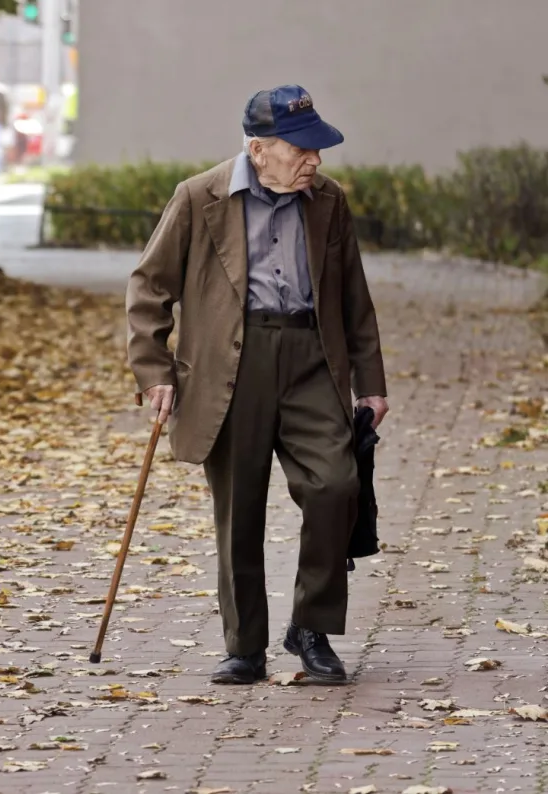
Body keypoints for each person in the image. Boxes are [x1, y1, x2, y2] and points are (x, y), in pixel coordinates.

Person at [125, 85, 389, 686]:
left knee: (336, 485)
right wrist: (154, 371)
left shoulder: (327, 201)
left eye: (318, 149)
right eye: (302, 149)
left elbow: (354, 297)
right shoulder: (200, 197)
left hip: (311, 358)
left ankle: (311, 628)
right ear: (258, 149)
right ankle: (245, 647)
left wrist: (369, 383)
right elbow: (149, 288)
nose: (315, 160)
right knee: (238, 509)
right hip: (228, 364)